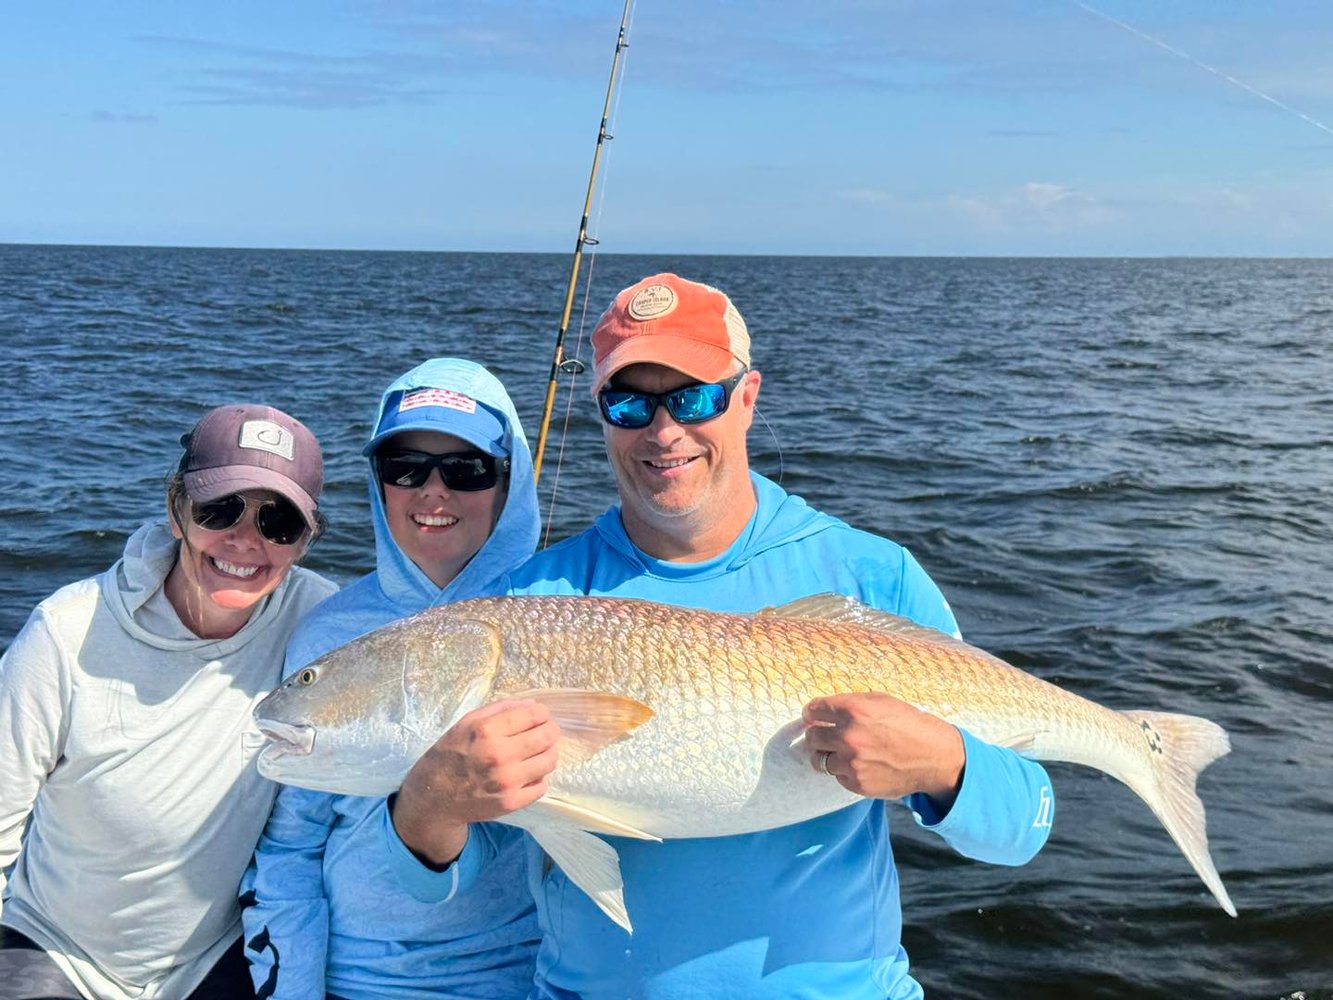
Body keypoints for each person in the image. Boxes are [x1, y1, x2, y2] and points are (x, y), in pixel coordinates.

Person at [388, 273, 1057, 999]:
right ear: (602, 413)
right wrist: (427, 805)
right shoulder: (527, 603)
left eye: (693, 397)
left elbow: (1022, 828)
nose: (663, 430)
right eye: (629, 403)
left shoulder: (870, 576)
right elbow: (444, 884)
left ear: (747, 397)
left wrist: (945, 764)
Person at [0, 405, 336, 1000]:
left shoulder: (323, 624)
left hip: (217, 956)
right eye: (220, 508)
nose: (245, 540)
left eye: (278, 521)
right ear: (175, 509)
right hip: (56, 949)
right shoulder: (65, 633)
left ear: (305, 541)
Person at [242, 358, 542, 1000]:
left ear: (509, 482)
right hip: (356, 979)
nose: (432, 494)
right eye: (404, 468)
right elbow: (290, 850)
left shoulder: (562, 610)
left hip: (523, 976)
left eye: (465, 470)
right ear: (378, 484)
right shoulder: (329, 631)